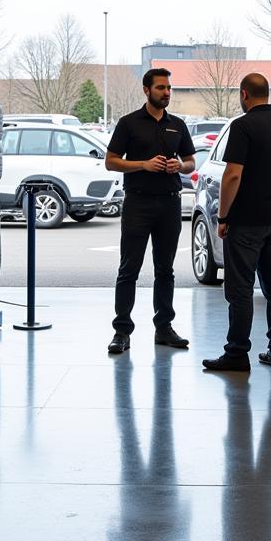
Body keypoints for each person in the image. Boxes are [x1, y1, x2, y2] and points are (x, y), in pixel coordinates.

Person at [202, 73, 271, 373]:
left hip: (247, 220)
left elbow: (232, 175)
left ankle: (237, 354)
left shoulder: (242, 126)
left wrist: (224, 216)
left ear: (244, 94)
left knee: (240, 289)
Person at [105, 68, 196, 355]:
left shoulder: (178, 125)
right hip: (138, 203)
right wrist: (142, 164)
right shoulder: (129, 123)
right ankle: (121, 331)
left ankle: (164, 329)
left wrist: (179, 166)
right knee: (128, 269)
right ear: (147, 90)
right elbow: (111, 161)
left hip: (169, 203)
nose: (166, 93)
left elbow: (191, 162)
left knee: (165, 270)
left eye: (169, 88)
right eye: (161, 88)